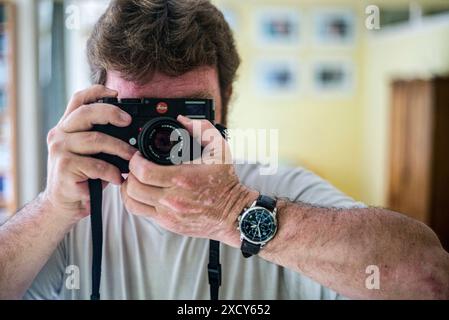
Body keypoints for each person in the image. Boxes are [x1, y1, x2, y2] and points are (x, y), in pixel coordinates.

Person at [0, 0, 448, 300]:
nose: (163, 134)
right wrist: (50, 207)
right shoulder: (76, 208)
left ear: (226, 102)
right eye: (138, 110)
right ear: (98, 102)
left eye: (186, 111)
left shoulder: (270, 185)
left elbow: (430, 277)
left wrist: (236, 213)